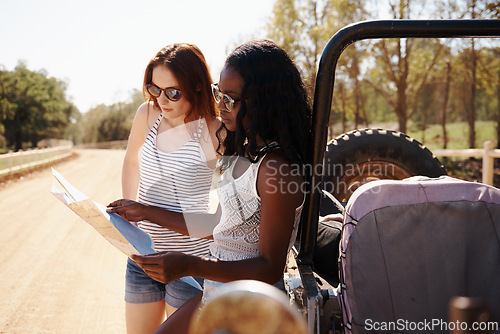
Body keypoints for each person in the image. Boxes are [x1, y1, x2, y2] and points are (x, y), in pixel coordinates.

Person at [108, 39, 312, 333]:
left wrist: (190, 265)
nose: (220, 105)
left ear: (264, 101)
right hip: (218, 287)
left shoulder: (275, 168)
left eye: (230, 99)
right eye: (219, 94)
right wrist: (144, 211)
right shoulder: (243, 151)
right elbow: (214, 225)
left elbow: (269, 268)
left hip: (246, 300)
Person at [120, 43, 220, 334]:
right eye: (155, 89)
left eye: (172, 92)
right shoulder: (148, 114)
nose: (162, 99)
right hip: (143, 254)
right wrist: (129, 207)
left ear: (197, 86)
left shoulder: (214, 129)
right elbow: (131, 158)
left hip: (188, 262)